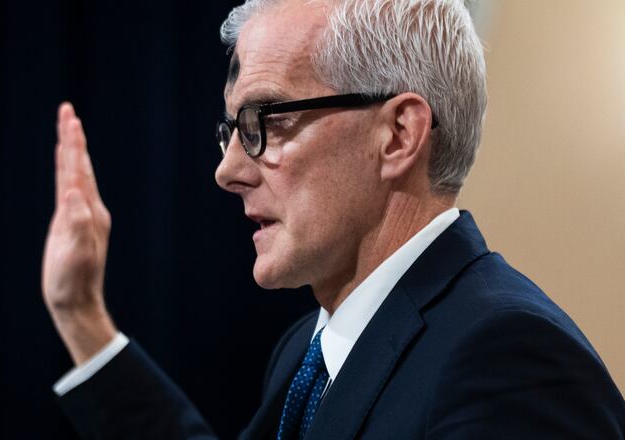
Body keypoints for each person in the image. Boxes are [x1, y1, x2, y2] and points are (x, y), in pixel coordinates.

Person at [41, 0, 625, 438]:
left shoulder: (509, 361)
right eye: (233, 129)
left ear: (398, 135)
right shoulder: (307, 350)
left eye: (264, 121)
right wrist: (81, 316)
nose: (227, 170)